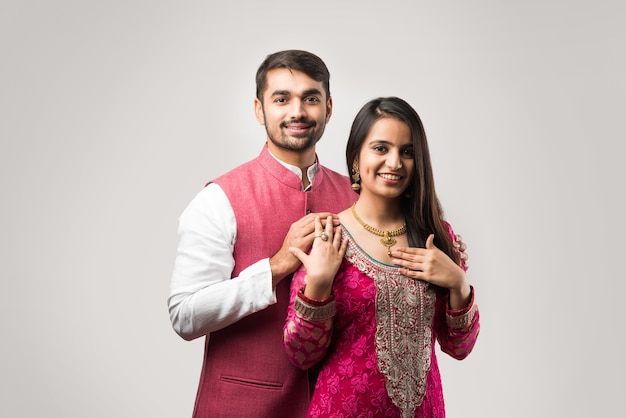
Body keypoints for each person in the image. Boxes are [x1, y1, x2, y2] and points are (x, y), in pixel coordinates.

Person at [167, 50, 360, 417]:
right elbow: (185, 315)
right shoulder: (219, 198)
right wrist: (277, 265)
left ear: (329, 109)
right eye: (282, 98)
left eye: (311, 98)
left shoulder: (355, 198)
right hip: (240, 408)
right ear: (260, 110)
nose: (297, 111)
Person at [283, 96, 480, 418]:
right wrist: (318, 284)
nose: (394, 163)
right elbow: (301, 355)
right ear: (356, 158)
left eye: (407, 152)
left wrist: (458, 285)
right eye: (380, 148)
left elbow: (460, 348)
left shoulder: (437, 237)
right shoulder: (328, 236)